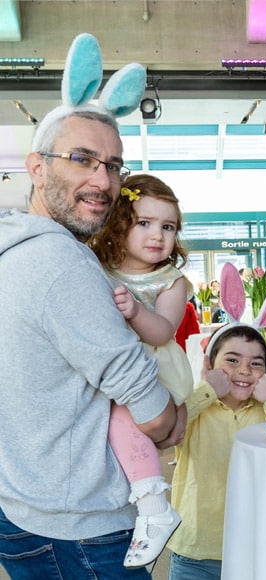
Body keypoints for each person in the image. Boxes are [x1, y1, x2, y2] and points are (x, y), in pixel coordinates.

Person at [0, 33, 183, 579]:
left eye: (113, 165)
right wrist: (174, 415)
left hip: (26, 508)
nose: (101, 180)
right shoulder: (60, 262)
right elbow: (147, 409)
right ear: (36, 167)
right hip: (79, 530)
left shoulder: (14, 250)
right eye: (82, 159)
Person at [89, 173, 195, 568]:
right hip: (119, 366)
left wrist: (135, 311)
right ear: (120, 224)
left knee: (120, 416)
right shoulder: (98, 266)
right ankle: (138, 517)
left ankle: (154, 505)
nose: (158, 235)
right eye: (145, 223)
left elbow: (164, 330)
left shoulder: (170, 281)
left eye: (168, 227)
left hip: (156, 367)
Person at [167, 324, 266, 579]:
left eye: (256, 363)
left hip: (257, 549)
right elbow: (167, 429)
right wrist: (207, 389)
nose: (243, 370)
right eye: (232, 360)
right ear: (209, 364)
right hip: (196, 553)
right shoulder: (192, 406)